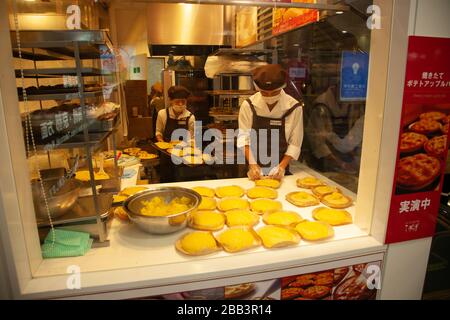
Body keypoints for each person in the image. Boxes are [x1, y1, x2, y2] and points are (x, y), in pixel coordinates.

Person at [237, 64, 303, 181]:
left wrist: (281, 167)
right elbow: (244, 138)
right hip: (252, 169)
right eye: (264, 92)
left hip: (281, 170)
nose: (269, 96)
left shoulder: (294, 107)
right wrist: (253, 164)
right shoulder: (248, 105)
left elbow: (295, 143)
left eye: (274, 92)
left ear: (282, 87)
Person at [304, 85, 364, 173]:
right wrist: (340, 163)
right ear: (336, 86)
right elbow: (318, 144)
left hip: (342, 156)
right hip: (322, 161)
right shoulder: (321, 106)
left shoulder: (349, 103)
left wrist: (351, 154)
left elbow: (347, 141)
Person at [155, 85, 195, 182]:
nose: (180, 104)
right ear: (170, 100)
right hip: (166, 156)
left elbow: (192, 138)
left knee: (182, 181)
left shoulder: (190, 117)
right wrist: (162, 143)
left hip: (183, 156)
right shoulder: (162, 114)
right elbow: (158, 132)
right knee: (166, 180)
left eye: (183, 102)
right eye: (177, 101)